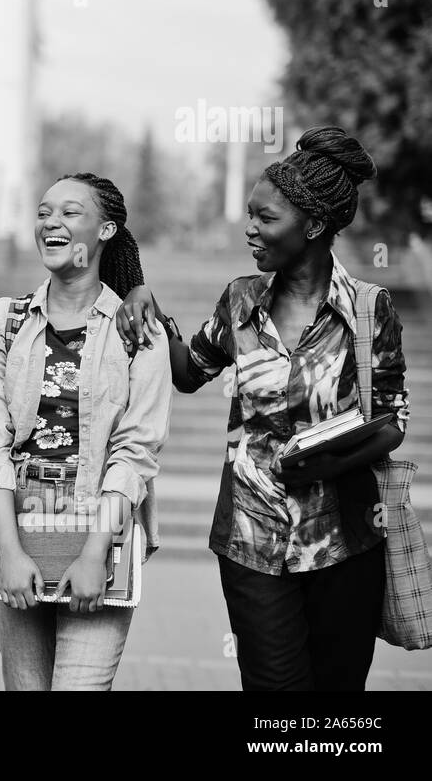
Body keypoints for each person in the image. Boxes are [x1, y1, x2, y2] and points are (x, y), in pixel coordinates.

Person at [115, 127, 408, 691]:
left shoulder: (372, 310)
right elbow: (188, 372)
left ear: (314, 226)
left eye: (266, 218)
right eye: (250, 214)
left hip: (346, 542)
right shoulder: (240, 299)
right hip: (252, 541)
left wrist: (325, 462)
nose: (250, 228)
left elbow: (393, 422)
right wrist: (139, 292)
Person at [0, 173, 171, 690]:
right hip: (15, 527)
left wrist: (94, 551)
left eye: (70, 212)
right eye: (43, 212)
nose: (51, 223)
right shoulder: (1, 322)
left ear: (105, 230)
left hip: (101, 530)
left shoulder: (138, 328)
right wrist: (9, 552)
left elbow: (136, 451)